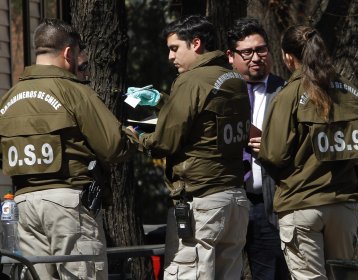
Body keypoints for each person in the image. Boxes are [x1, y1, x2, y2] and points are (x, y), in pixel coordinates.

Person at [0, 18, 137, 280]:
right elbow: (113, 147)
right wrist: (130, 137)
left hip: (24, 206)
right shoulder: (74, 92)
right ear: (68, 53)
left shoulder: (9, 98)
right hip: (68, 206)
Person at [127, 15, 251, 279]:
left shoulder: (190, 81)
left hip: (201, 202)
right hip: (235, 200)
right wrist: (163, 100)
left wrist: (134, 136)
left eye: (174, 48)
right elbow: (204, 119)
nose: (171, 57)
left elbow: (165, 142)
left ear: (196, 44)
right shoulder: (233, 78)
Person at [258, 25, 358, 279]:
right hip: (343, 204)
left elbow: (273, 155)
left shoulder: (287, 95)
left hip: (302, 204)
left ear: (287, 57)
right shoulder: (349, 91)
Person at [226, 17, 289, 280]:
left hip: (268, 203)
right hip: (228, 200)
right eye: (247, 52)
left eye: (261, 49)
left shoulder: (285, 92)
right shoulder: (221, 93)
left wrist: (273, 145)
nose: (256, 57)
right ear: (231, 56)